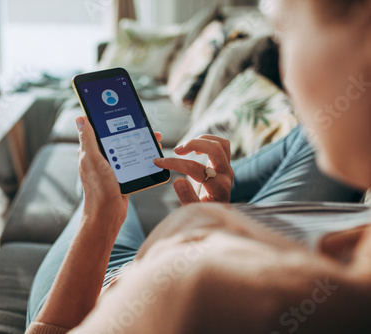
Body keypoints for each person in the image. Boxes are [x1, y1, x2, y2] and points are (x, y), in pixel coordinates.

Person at [25, 0, 371, 332]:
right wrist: (214, 220)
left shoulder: (196, 291)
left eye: (284, 33)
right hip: (179, 258)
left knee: (98, 184)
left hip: (105, 293)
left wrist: (98, 220)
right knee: (106, 179)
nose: (286, 76)